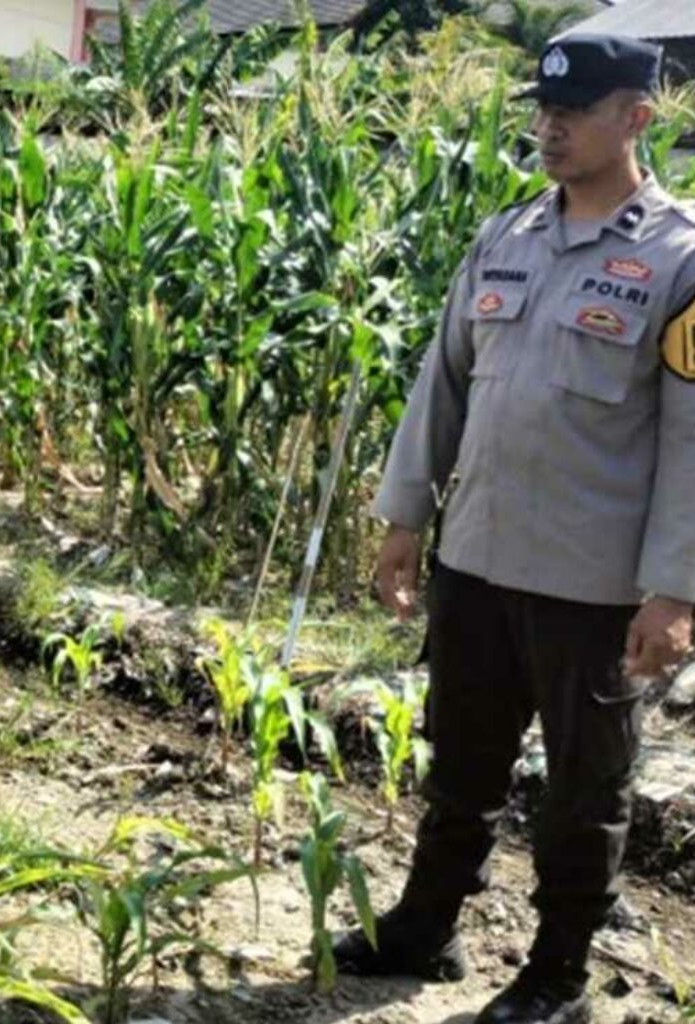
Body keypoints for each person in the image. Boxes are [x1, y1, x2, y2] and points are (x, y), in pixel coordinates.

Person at [334, 35, 695, 1024]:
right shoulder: (505, 236)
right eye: (543, 108)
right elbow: (442, 384)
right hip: (478, 562)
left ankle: (557, 974)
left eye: (574, 111)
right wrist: (405, 515)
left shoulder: (679, 258)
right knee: (460, 763)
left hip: (592, 584)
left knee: (585, 792)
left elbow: (690, 438)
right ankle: (424, 927)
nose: (549, 126)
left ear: (636, 117)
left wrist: (673, 590)